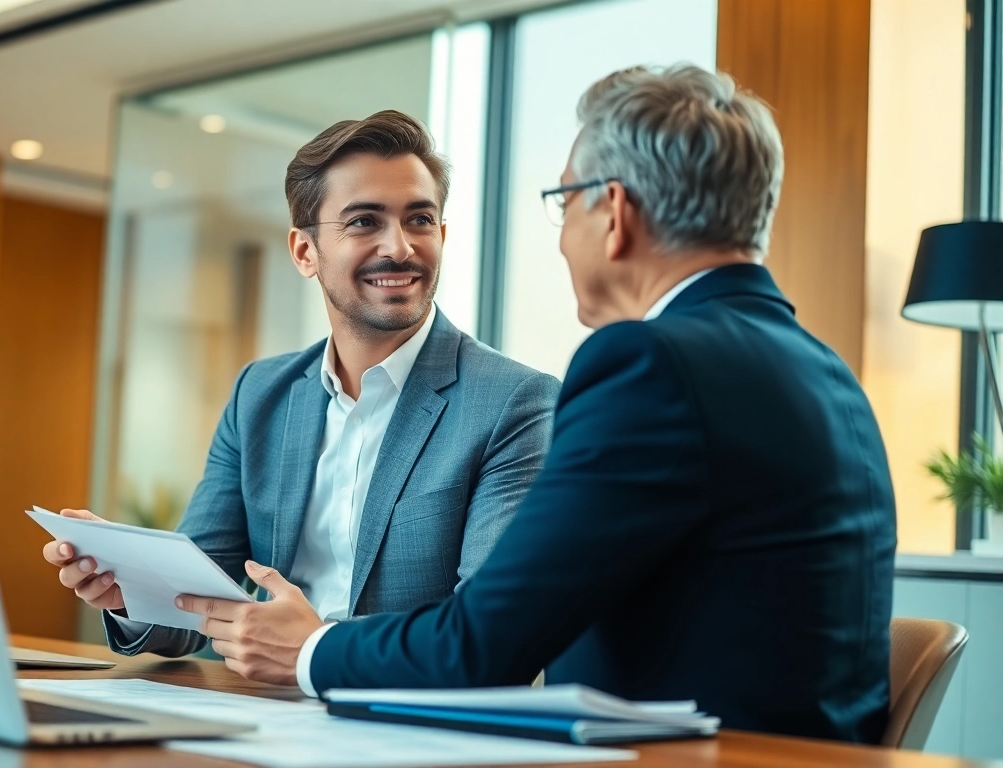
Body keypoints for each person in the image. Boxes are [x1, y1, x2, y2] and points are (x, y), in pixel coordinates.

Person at [176, 65, 897, 744]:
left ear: (613, 213)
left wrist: (312, 647)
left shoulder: (647, 365)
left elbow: (485, 644)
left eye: (565, 202)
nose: (561, 240)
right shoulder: (825, 371)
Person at [45, 110, 561, 659]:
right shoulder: (259, 394)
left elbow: (490, 636)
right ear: (304, 252)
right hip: (258, 703)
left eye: (419, 220)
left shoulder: (515, 404)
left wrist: (316, 650)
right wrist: (133, 589)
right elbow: (194, 600)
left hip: (399, 706)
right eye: (364, 221)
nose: (400, 247)